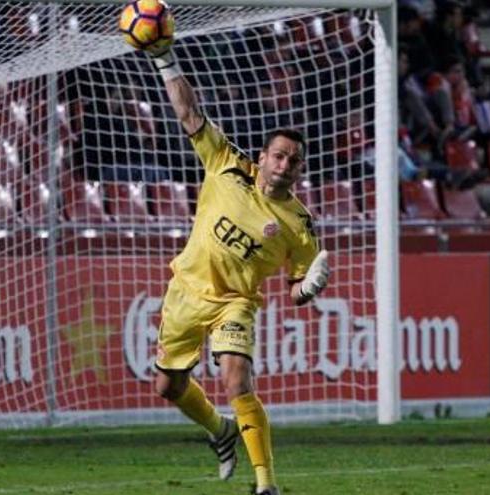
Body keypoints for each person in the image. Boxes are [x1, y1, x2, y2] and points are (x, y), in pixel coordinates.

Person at [135, 27, 331, 495]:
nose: (285, 165)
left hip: (235, 303)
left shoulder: (299, 223)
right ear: (262, 157)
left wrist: (311, 288)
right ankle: (220, 431)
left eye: (294, 161)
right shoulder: (224, 162)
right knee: (166, 387)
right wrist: (165, 60)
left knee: (236, 379)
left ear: (300, 170)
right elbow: (189, 113)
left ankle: (266, 485)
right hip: (186, 289)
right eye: (279, 156)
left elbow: (295, 290)